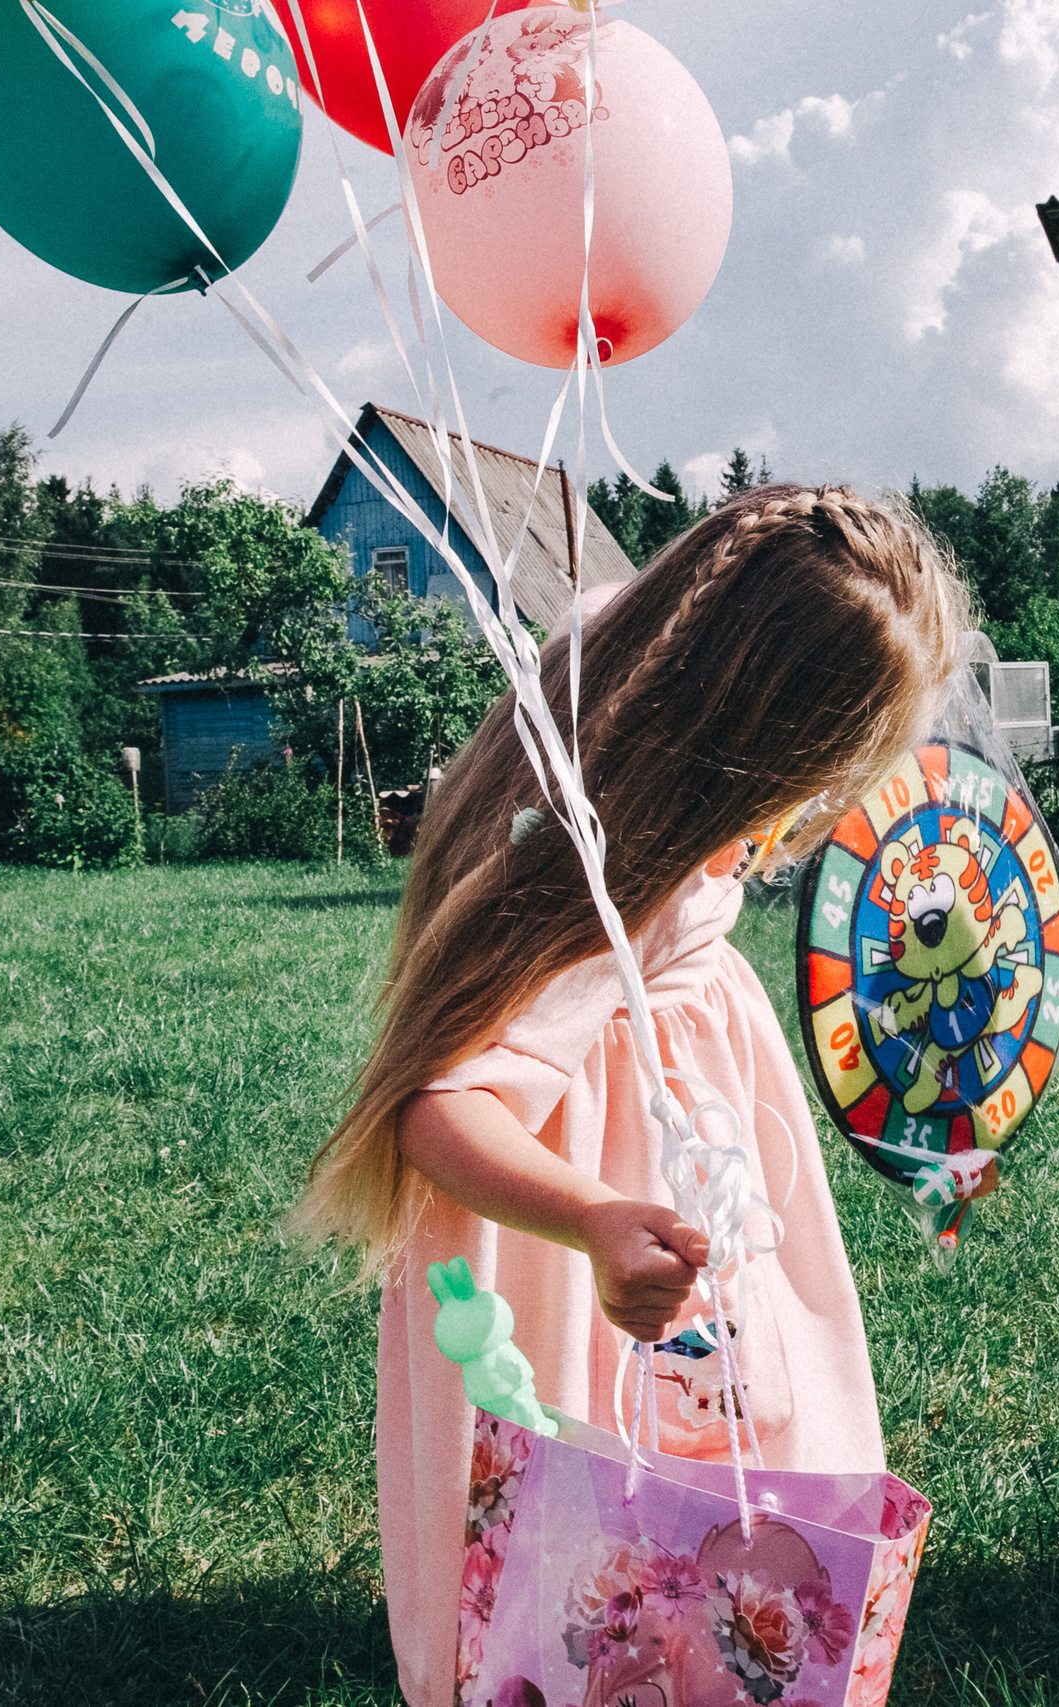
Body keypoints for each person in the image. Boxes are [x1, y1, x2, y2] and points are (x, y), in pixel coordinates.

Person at [288, 486, 970, 1707]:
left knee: (731, 1480)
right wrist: (594, 1222)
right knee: (596, 1542)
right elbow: (438, 1103)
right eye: (816, 780)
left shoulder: (619, 673)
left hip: (661, 1183)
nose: (808, 820)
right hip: (580, 1249)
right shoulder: (604, 868)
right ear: (750, 749)